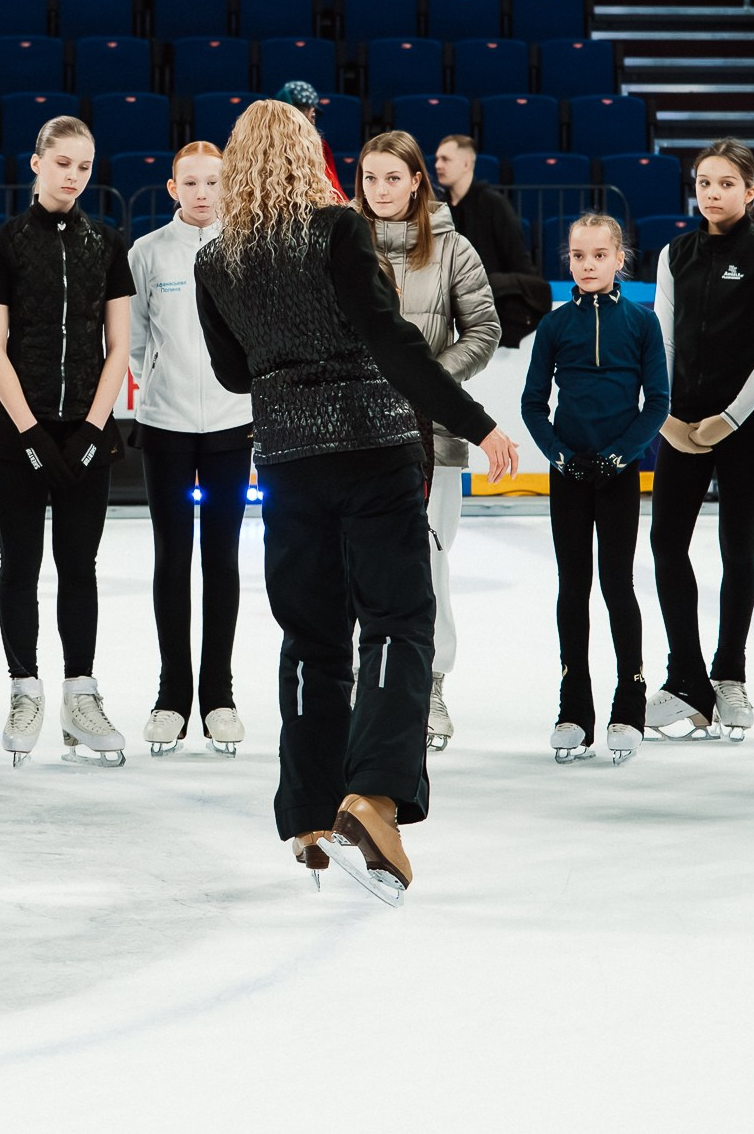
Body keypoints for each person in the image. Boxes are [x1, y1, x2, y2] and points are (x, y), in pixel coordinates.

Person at [193, 101, 518, 904]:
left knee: (310, 639)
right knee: (398, 622)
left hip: (290, 463)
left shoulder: (215, 260)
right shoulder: (339, 231)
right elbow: (391, 342)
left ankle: (307, 813)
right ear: (309, 155)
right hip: (371, 451)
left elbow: (235, 373)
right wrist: (477, 425)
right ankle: (371, 795)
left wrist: (284, 358)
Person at [0, 115, 134, 768]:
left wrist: (94, 429)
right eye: (62, 161)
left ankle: (80, 692)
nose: (72, 175)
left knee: (79, 565)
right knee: (20, 564)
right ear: (36, 161)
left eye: (84, 166)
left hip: (87, 433)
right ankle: (24, 689)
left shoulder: (108, 242)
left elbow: (119, 345)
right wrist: (31, 434)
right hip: (20, 433)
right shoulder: (4, 244)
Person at [355, 130, 499, 753]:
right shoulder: (343, 245)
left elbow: (484, 329)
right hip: (356, 438)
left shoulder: (454, 248)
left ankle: (428, 684)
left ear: (417, 181)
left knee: (428, 565)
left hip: (433, 441)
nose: (381, 190)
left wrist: (427, 385)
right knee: (358, 566)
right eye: (369, 178)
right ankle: (369, 688)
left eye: (393, 178)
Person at [647, 139, 754, 742]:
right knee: (665, 543)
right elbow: (662, 341)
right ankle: (686, 678)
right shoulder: (674, 253)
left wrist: (729, 419)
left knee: (739, 546)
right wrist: (667, 418)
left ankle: (729, 674)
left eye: (726, 183)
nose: (712, 192)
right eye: (704, 182)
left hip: (744, 426)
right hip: (680, 425)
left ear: (750, 191)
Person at [519, 213, 666, 766]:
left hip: (618, 473)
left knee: (617, 584)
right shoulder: (556, 327)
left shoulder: (641, 323)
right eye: (578, 257)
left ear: (618, 258)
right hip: (569, 475)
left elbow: (657, 403)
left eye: (598, 255)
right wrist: (560, 455)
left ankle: (629, 702)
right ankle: (573, 706)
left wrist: (619, 455)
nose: (587, 265)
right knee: (572, 583)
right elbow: (533, 404)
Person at [126, 141, 253, 757]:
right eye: (191, 183)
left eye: (213, 182)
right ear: (172, 188)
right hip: (166, 426)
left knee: (221, 560)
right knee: (173, 559)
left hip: (234, 425)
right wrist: (159, 384)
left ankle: (219, 695)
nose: (203, 193)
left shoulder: (249, 251)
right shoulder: (147, 253)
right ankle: (171, 696)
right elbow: (136, 340)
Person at [432, 133, 546, 346]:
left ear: (466, 163)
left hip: (490, 311)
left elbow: (520, 265)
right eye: (437, 159)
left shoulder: (494, 205)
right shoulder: (438, 208)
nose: (438, 165)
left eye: (445, 159)